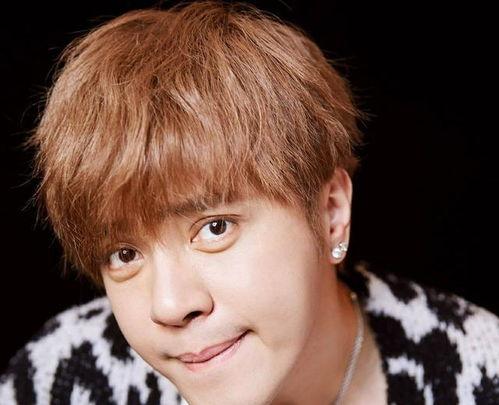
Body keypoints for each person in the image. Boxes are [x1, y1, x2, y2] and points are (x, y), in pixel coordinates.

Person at [1, 1, 498, 404]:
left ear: (330, 213)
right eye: (124, 254)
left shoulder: (479, 373)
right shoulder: (58, 377)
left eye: (215, 227)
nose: (169, 305)